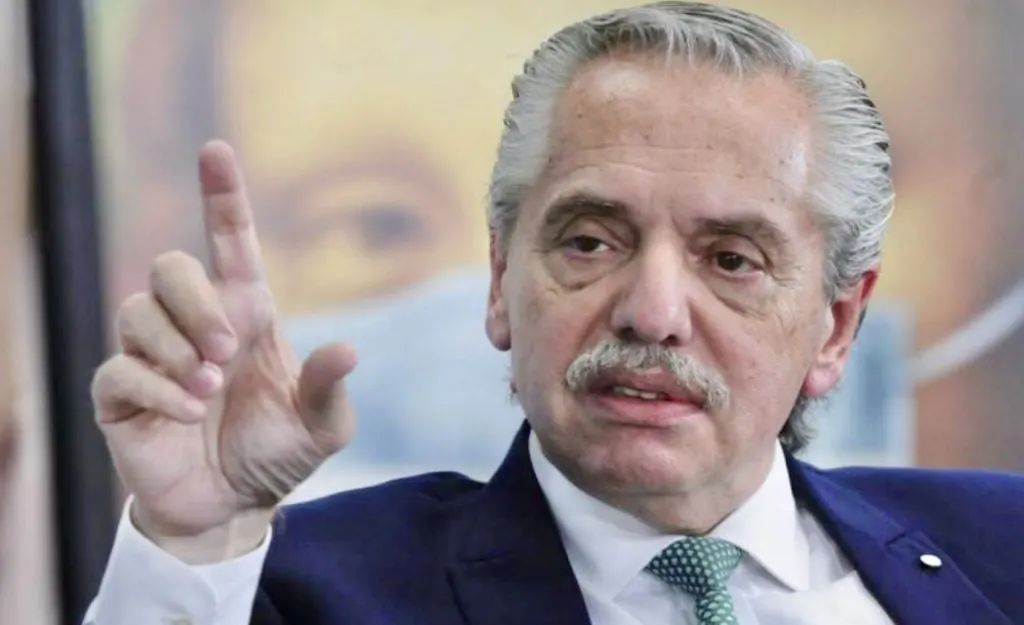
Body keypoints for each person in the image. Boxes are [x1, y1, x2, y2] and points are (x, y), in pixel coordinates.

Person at [85, 3, 1024, 624]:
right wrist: (193, 542)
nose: (652, 312)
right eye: (590, 242)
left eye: (731, 259)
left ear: (835, 326)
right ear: (502, 282)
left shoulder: (1001, 546)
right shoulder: (306, 590)